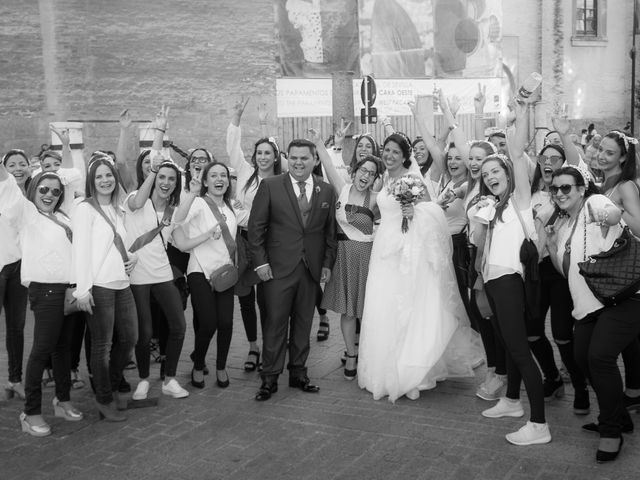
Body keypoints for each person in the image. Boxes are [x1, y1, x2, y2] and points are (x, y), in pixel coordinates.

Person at [358, 133, 482, 402]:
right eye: (386, 151)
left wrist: (414, 215)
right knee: (384, 307)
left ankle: (410, 371)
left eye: (395, 152)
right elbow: (379, 209)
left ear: (405, 156)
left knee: (407, 307)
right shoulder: (385, 179)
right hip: (384, 251)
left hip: (407, 252)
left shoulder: (413, 179)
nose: (389, 156)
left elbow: (433, 213)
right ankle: (383, 367)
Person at [544, 166, 634, 463]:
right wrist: (551, 244)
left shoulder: (594, 204)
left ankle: (611, 431)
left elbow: (613, 213)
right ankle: (618, 415)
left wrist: (610, 216)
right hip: (587, 304)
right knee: (582, 359)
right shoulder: (564, 224)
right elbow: (568, 271)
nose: (559, 193)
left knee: (599, 357)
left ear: (582, 189)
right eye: (555, 189)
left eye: (566, 188)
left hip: (622, 299)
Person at [248, 138, 337, 401]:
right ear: (288, 159)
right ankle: (270, 378)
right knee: (275, 324)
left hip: (310, 269)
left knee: (303, 323)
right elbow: (255, 229)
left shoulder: (326, 190)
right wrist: (261, 263)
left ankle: (299, 372)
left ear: (315, 160)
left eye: (304, 158)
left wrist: (327, 265)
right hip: (277, 269)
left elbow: (330, 233)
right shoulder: (271, 186)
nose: (299, 163)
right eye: (294, 158)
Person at [0, 168, 84, 436]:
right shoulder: (27, 214)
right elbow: (8, 187)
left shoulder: (63, 215)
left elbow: (74, 173)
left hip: (70, 290)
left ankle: (62, 399)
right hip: (45, 291)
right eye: (44, 189)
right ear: (33, 188)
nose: (49, 195)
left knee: (64, 349)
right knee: (43, 349)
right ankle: (31, 412)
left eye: (55, 191)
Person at [72, 156, 138, 422]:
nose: (105, 180)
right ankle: (103, 398)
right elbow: (81, 251)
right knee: (102, 346)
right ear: (91, 181)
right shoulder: (84, 209)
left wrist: (133, 256)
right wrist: (82, 289)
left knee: (129, 339)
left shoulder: (117, 208)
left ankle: (108, 386)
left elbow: (121, 243)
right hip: (98, 286)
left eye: (108, 175)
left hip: (122, 283)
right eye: (99, 176)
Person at [311, 129, 380, 380]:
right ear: (354, 172)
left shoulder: (376, 200)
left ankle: (371, 355)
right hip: (343, 257)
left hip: (367, 258)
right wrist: (319, 142)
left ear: (375, 179)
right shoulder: (342, 189)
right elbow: (328, 164)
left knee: (370, 311)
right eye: (363, 171)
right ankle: (351, 353)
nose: (366, 176)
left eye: (371, 174)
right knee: (348, 311)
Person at [173, 161, 248, 390]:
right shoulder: (198, 203)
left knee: (226, 323)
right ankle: (198, 364)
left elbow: (255, 218)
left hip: (223, 274)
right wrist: (192, 193)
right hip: (200, 272)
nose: (219, 179)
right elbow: (178, 219)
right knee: (208, 324)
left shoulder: (231, 208)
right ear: (205, 181)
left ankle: (221, 366)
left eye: (223, 175)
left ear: (228, 180)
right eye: (213, 175)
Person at [225, 98, 282, 372]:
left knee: (267, 300)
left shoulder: (280, 182)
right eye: (258, 152)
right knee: (245, 298)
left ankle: (272, 347)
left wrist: (244, 213)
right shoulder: (246, 174)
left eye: (267, 153)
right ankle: (252, 347)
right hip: (244, 242)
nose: (262, 157)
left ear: (275, 156)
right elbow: (232, 148)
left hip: (269, 246)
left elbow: (275, 219)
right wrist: (236, 119)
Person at [1, 149, 30, 400]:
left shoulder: (35, 193)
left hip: (19, 267)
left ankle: (15, 379)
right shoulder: (5, 187)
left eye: (23, 163)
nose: (18, 168)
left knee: (16, 327)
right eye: (12, 164)